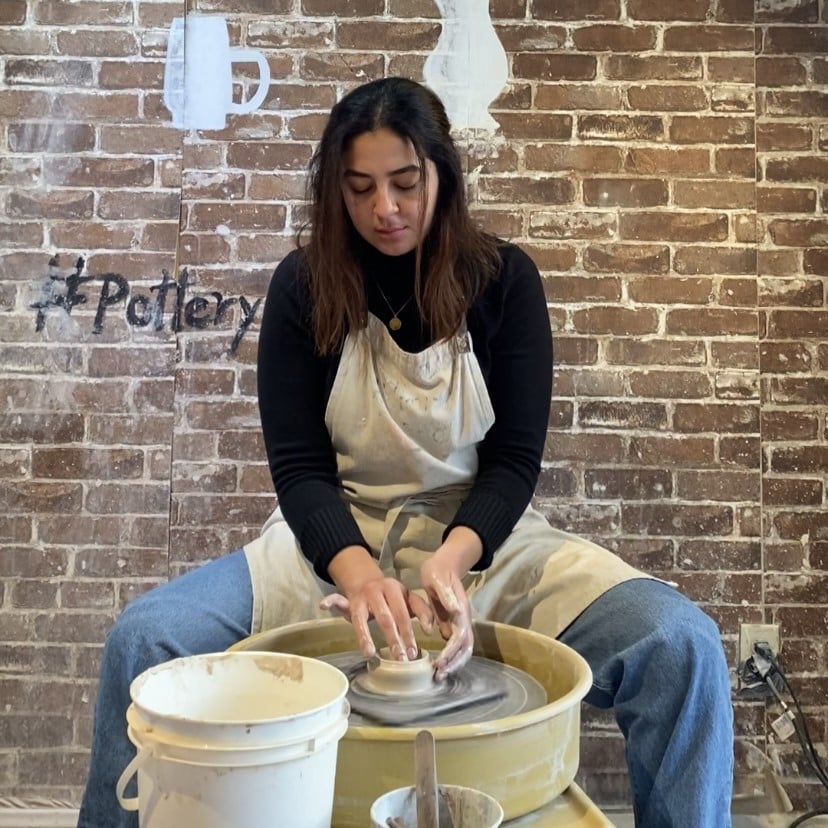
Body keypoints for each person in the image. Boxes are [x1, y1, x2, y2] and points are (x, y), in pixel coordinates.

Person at [77, 76, 734, 827]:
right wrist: (357, 575)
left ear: (441, 177)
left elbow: (515, 461)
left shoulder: (504, 282)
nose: (383, 209)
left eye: (403, 183)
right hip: (333, 542)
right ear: (335, 191)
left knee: (680, 643)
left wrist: (450, 564)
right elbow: (299, 470)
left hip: (483, 545)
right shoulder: (305, 286)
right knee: (145, 638)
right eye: (359, 188)